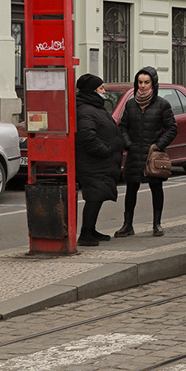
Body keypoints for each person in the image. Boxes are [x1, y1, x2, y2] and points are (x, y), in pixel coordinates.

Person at [114, 66, 177, 238]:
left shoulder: (162, 104)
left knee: (156, 188)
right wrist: (128, 144)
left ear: (153, 84)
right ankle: (127, 225)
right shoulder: (130, 104)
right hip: (135, 154)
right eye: (140, 82)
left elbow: (171, 128)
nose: (142, 86)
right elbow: (123, 127)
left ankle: (157, 224)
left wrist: (158, 145)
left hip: (153, 155)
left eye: (146, 82)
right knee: (131, 190)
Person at [74, 73, 123, 246]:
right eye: (101, 88)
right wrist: (106, 151)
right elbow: (87, 136)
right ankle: (86, 234)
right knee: (94, 195)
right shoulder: (86, 109)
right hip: (93, 162)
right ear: (92, 90)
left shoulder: (94, 106)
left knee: (98, 195)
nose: (104, 91)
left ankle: (90, 229)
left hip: (100, 162)